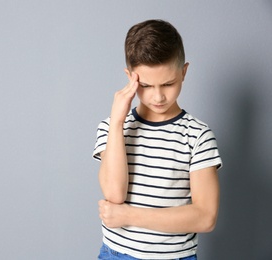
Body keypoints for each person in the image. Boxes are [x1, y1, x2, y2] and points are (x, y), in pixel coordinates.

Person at [92, 19, 222, 260]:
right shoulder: (111, 128)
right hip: (116, 255)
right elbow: (114, 194)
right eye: (146, 85)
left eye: (169, 83)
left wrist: (129, 216)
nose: (158, 96)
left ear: (184, 72)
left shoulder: (198, 135)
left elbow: (205, 217)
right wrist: (118, 122)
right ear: (130, 77)